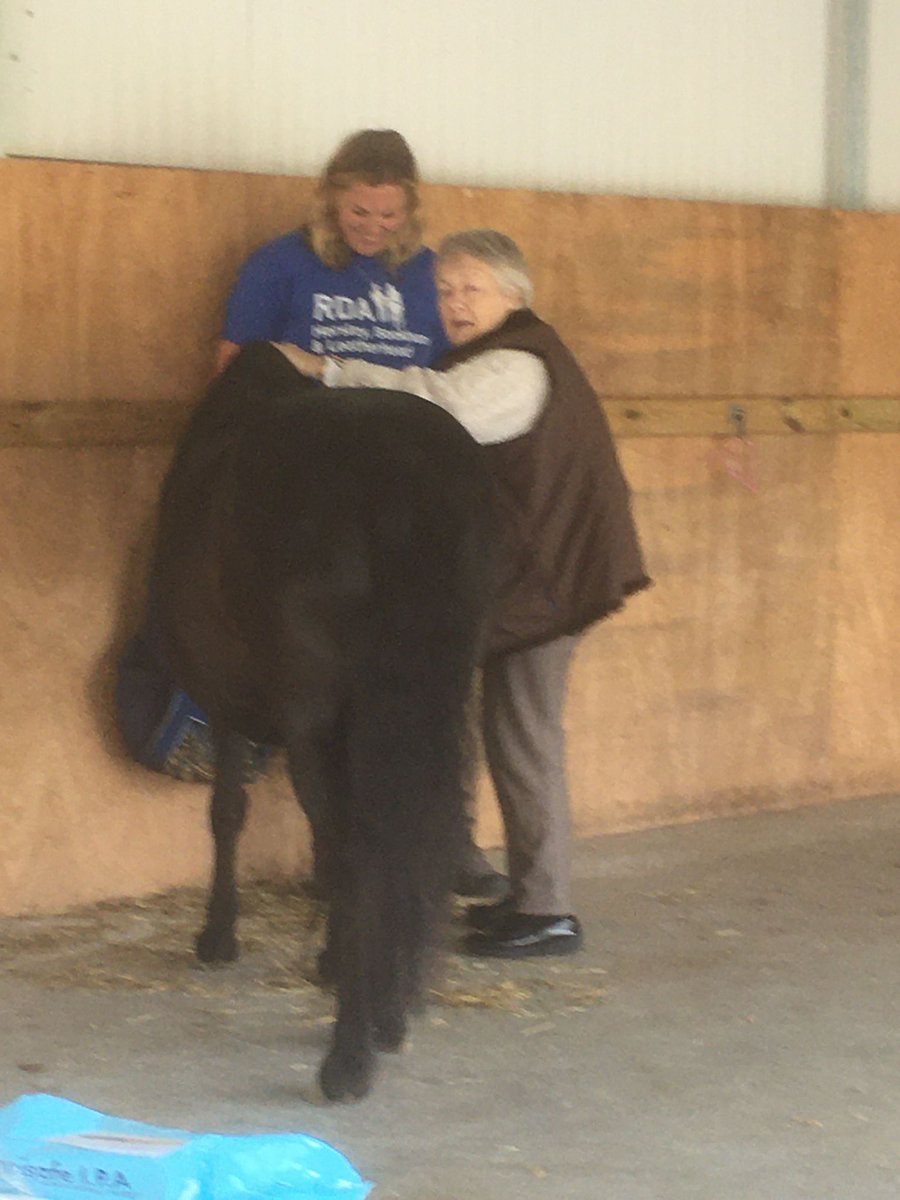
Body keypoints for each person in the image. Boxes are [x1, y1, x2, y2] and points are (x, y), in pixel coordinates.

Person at [116, 132, 505, 899]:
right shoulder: (280, 266)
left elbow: (463, 375)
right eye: (359, 210)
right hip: (301, 479)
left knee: (440, 645)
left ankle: (447, 829)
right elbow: (237, 371)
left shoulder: (433, 279)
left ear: (411, 209)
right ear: (331, 198)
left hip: (399, 475)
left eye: (389, 214)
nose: (373, 226)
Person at [274, 229, 652, 958]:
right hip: (539, 580)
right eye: (444, 290)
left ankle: (547, 911)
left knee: (525, 740)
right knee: (512, 737)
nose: (453, 303)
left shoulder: (514, 364)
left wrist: (325, 370)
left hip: (549, 586)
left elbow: (434, 405)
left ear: (514, 293)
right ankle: (526, 897)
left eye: (470, 288)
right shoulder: (509, 353)